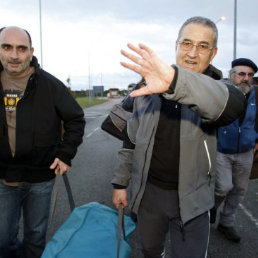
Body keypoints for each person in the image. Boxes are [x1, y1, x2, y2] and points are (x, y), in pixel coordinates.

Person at [111, 16, 246, 258]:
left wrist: (174, 82)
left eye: (203, 46)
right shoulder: (147, 88)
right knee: (151, 251)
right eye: (186, 44)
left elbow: (230, 105)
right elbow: (130, 138)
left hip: (194, 199)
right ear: (176, 45)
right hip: (149, 195)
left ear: (214, 53)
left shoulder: (215, 90)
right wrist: (120, 184)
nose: (192, 53)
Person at [0, 26, 85, 258]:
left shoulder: (50, 85)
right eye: (7, 47)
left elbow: (76, 119)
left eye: (21, 48)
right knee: (3, 240)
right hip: (3, 178)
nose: (14, 55)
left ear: (31, 51)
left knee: (35, 239)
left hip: (41, 178)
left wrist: (65, 154)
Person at [210, 58, 258, 242]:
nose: (245, 78)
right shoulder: (222, 92)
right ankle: (211, 208)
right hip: (222, 149)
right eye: (241, 74)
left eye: (250, 75)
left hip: (246, 151)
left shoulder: (256, 94)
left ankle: (226, 223)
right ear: (232, 76)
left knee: (239, 190)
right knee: (223, 187)